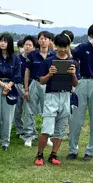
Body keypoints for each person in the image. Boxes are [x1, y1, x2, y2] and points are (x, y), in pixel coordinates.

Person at [34, 34, 80, 166]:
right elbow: (41, 81)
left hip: (66, 95)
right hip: (51, 95)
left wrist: (72, 74)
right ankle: (40, 154)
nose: (62, 49)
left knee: (60, 128)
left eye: (65, 47)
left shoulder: (74, 63)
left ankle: (53, 154)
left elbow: (76, 84)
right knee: (47, 127)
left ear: (68, 47)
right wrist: (49, 74)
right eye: (60, 46)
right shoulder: (48, 61)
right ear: (55, 46)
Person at [68, 23, 93, 162]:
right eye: (91, 36)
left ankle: (90, 150)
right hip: (83, 81)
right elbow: (70, 55)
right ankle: (72, 149)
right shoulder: (83, 47)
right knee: (76, 119)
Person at [0, 33, 23, 150]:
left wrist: (9, 86)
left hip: (10, 87)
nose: (2, 43)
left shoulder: (15, 57)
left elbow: (17, 74)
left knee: (8, 117)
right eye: (1, 41)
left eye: (5, 41)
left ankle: (5, 142)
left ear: (10, 43)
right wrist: (2, 86)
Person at [23, 31, 55, 147]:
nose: (43, 41)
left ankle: (47, 136)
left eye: (46, 39)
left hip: (48, 85)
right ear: (38, 41)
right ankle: (29, 136)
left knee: (48, 112)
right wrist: (26, 89)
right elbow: (27, 72)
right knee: (29, 110)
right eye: (41, 39)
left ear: (50, 41)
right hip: (34, 83)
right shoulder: (32, 55)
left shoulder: (53, 55)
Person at [14, 37, 36, 138]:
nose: (27, 47)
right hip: (17, 85)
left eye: (30, 45)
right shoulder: (18, 58)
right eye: (26, 45)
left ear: (34, 47)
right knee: (17, 110)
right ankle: (20, 130)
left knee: (29, 110)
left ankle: (31, 130)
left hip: (30, 86)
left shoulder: (34, 58)